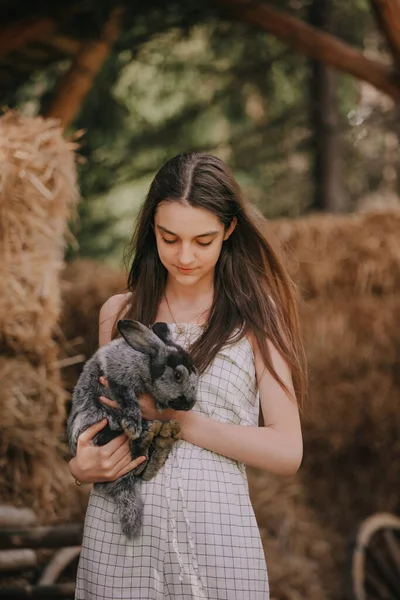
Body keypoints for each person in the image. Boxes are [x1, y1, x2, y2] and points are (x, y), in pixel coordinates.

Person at [69, 152, 306, 600]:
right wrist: (80, 467)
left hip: (217, 541)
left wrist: (178, 420)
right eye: (169, 237)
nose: (184, 255)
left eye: (203, 240)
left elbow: (287, 449)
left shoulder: (254, 320)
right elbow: (100, 425)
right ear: (151, 230)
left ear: (229, 230)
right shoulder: (121, 313)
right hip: (121, 543)